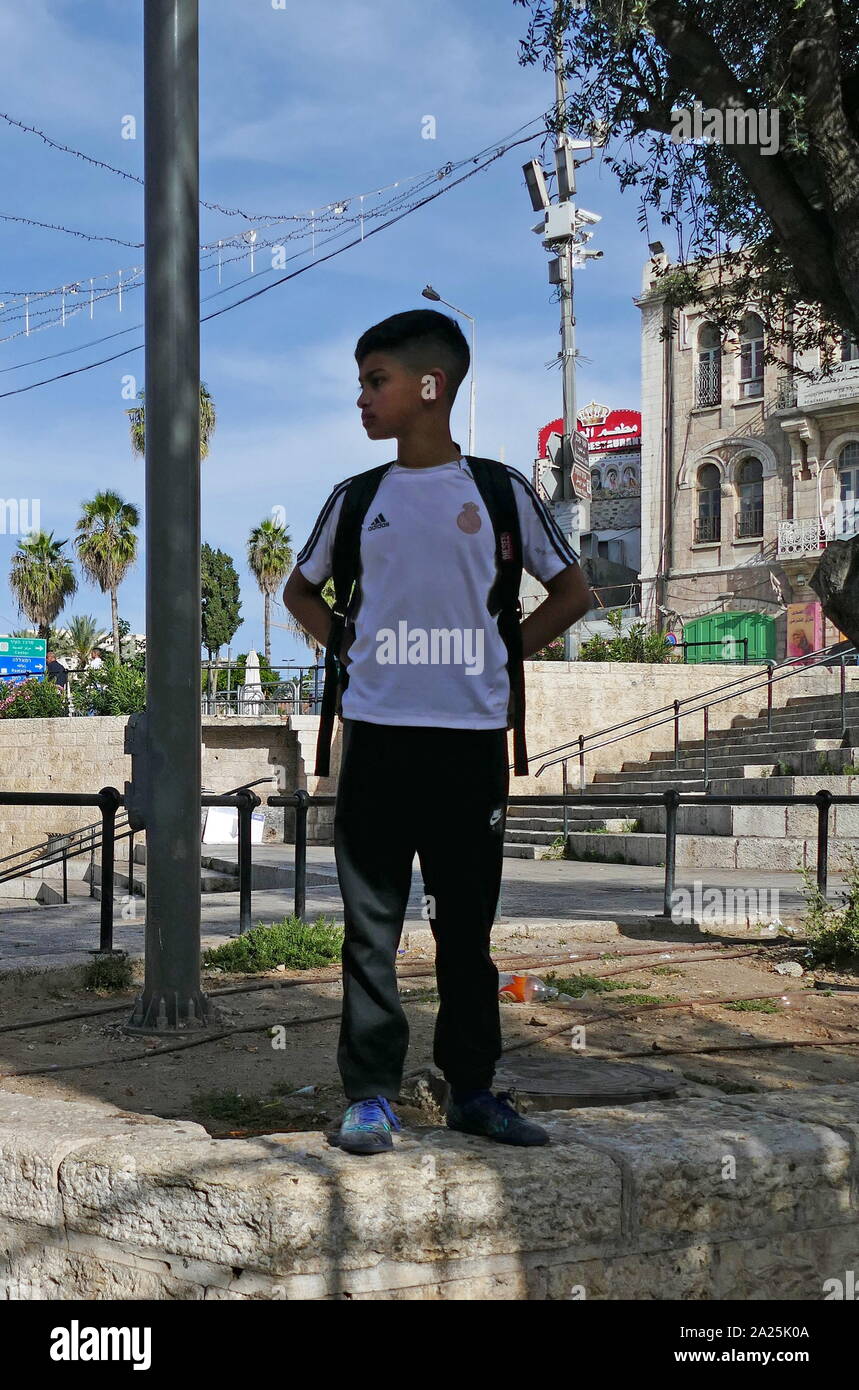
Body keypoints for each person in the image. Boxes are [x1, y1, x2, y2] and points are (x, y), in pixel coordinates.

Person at [283, 308, 592, 1156]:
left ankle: (475, 1091)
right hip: (377, 742)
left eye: (375, 381)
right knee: (369, 931)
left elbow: (571, 593)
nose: (361, 399)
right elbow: (298, 593)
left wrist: (502, 653)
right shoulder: (357, 500)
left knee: (467, 932)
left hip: (468, 747)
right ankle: (370, 1097)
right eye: (360, 383)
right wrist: (350, 647)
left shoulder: (497, 491)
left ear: (432, 386)